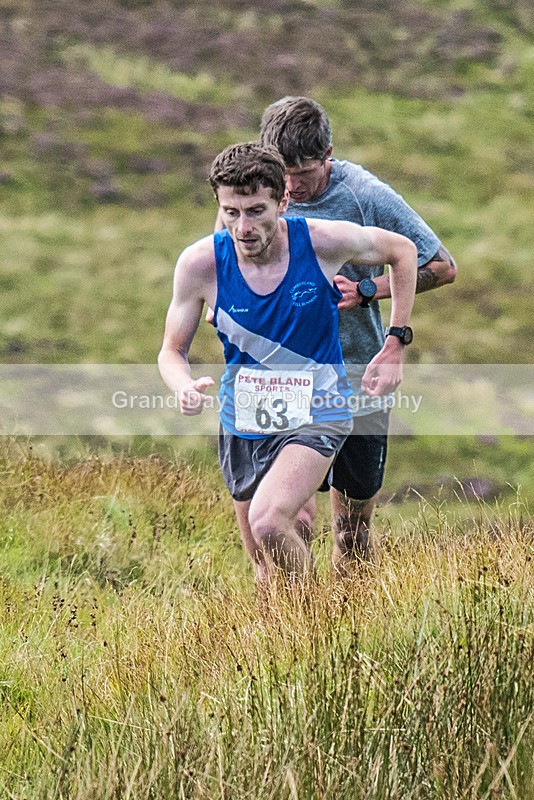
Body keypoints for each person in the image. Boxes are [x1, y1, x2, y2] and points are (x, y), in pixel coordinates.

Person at [158, 142, 417, 584]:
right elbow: (171, 351)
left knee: (268, 523)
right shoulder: (201, 263)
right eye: (231, 212)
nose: (244, 227)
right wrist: (181, 384)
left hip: (320, 411)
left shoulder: (320, 241)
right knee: (264, 564)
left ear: (283, 202)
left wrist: (395, 340)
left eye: (256, 211)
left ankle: (317, 621)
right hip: (244, 420)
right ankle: (290, 640)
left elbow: (403, 250)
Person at [258, 96, 457, 575]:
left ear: (328, 155)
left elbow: (440, 266)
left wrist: (371, 290)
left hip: (355, 377)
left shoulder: (364, 195)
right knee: (285, 521)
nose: (290, 187)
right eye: (281, 173)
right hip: (282, 378)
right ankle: (288, 632)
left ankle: (349, 635)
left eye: (302, 175)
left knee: (352, 536)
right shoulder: (255, 189)